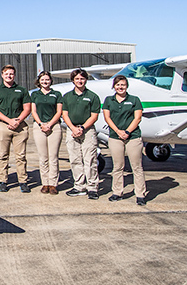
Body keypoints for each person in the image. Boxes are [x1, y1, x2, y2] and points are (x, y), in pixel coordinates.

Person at [102, 75, 147, 205]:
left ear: (126, 86)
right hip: (115, 137)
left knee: (136, 167)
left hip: (133, 137)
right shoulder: (109, 100)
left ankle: (140, 194)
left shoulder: (134, 100)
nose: (120, 87)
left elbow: (137, 118)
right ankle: (117, 192)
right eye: (118, 85)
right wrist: (118, 131)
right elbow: (107, 117)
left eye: (123, 85)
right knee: (118, 166)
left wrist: (127, 132)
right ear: (114, 86)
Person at [0, 65, 32, 193]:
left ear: (15, 75)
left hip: (19, 126)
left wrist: (18, 120)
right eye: (6, 74)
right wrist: (9, 121)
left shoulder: (22, 90)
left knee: (21, 156)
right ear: (2, 75)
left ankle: (23, 181)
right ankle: (3, 181)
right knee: (2, 155)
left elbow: (27, 108)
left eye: (11, 74)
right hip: (3, 125)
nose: (9, 76)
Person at [61, 68, 102, 199]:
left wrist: (82, 128)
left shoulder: (92, 96)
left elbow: (94, 115)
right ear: (73, 80)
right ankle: (79, 186)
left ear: (86, 80)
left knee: (90, 159)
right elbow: (64, 114)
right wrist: (73, 128)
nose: (80, 81)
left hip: (87, 130)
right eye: (77, 79)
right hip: (72, 130)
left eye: (82, 78)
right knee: (75, 159)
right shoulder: (67, 96)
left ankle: (92, 187)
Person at [30, 71, 63, 195]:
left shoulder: (57, 94)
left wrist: (50, 124)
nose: (45, 82)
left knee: (53, 157)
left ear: (51, 81)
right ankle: (45, 182)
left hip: (54, 126)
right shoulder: (35, 94)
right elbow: (33, 111)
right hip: (39, 126)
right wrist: (40, 124)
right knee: (43, 156)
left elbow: (59, 111)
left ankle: (53, 183)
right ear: (39, 81)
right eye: (43, 80)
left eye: (47, 80)